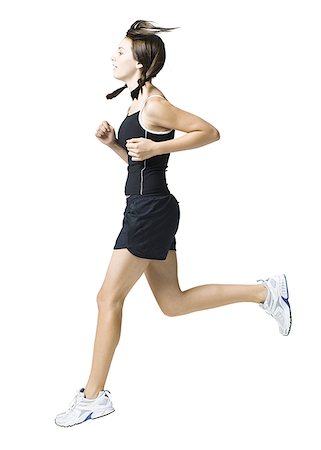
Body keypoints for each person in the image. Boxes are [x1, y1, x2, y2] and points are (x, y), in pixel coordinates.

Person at [55, 19, 292, 428]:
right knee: (172, 303)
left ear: (141, 63)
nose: (114, 56)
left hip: (149, 212)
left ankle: (93, 397)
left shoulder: (155, 104)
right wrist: (116, 145)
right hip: (147, 206)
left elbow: (209, 131)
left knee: (107, 298)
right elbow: (141, 163)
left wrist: (159, 144)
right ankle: (265, 292)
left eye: (121, 52)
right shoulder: (134, 105)